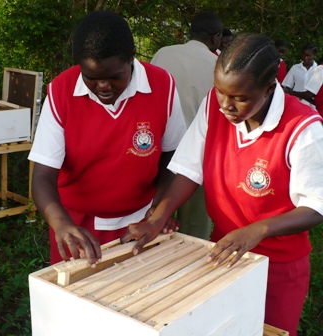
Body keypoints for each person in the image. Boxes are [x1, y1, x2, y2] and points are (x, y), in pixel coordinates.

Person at [122, 33, 323, 336]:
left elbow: (316, 205)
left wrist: (258, 229)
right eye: (220, 92)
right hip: (223, 251)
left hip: (279, 266)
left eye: (240, 98)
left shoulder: (303, 127)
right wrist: (158, 218)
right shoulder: (213, 108)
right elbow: (187, 169)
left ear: (270, 89)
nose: (226, 106)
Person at [28, 10, 187, 266]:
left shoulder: (162, 85)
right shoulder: (61, 91)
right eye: (91, 78)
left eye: (115, 77)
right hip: (78, 228)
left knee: (138, 298)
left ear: (131, 59)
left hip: (141, 223)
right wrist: (60, 223)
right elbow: (43, 175)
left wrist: (158, 211)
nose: (103, 87)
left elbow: (172, 156)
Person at [150, 11, 222, 240]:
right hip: (198, 158)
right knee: (195, 230)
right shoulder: (218, 65)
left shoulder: (163, 55)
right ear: (216, 38)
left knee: (154, 220)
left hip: (160, 155)